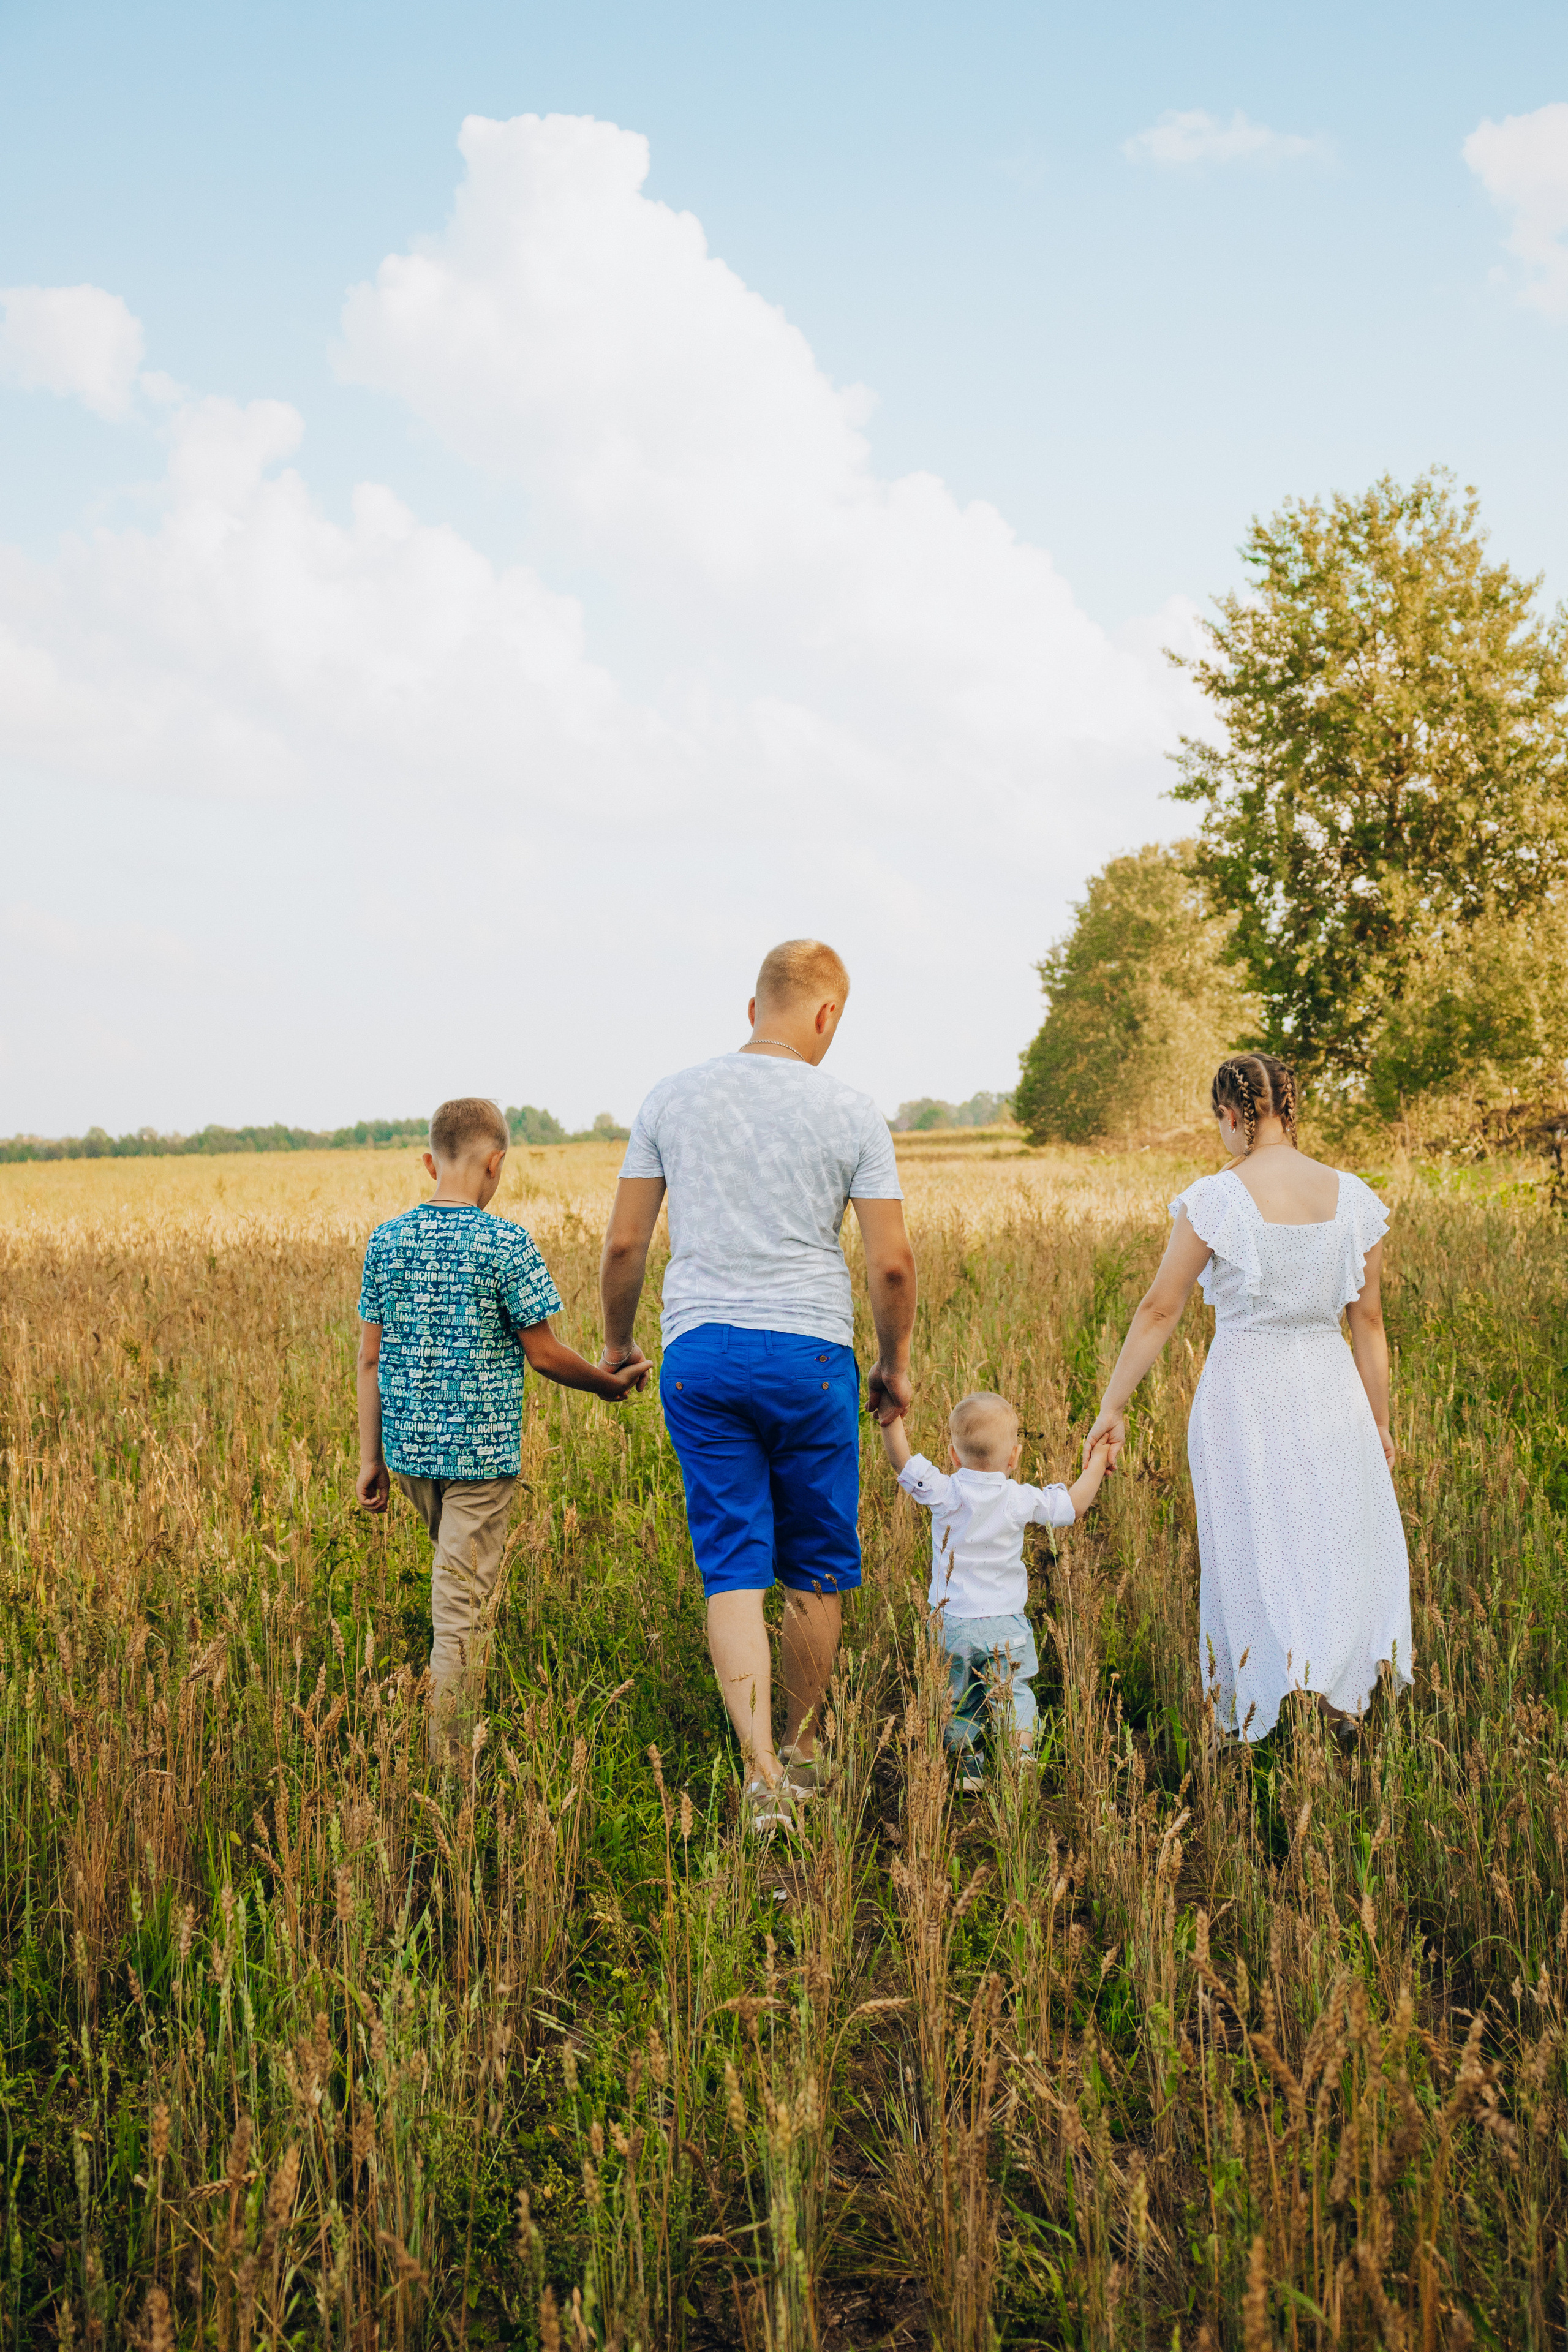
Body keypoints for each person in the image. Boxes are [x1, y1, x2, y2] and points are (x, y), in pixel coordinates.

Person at [598, 939, 917, 1833]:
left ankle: (761, 1776)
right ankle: (803, 1752)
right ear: (827, 1015)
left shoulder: (672, 1096)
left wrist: (619, 1341)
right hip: (811, 1353)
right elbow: (891, 1263)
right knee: (815, 1564)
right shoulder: (851, 1112)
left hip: (700, 1353)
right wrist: (892, 1364)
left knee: (733, 1564)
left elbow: (625, 1244)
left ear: (752, 1009)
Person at [1084, 1053, 1411, 1744]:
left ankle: (1250, 1707)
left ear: (1231, 1115)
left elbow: (1159, 1309)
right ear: (1288, 1109)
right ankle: (1338, 1701)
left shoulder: (1217, 1197)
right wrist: (1379, 1420)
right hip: (1332, 1389)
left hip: (1245, 1392)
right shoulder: (1354, 1198)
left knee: (1249, 1546)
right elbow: (1370, 1321)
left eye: (1220, 1122)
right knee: (1332, 1539)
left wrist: (1112, 1405)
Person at [355, 1096, 644, 1742]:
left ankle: (451, 1739)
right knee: (459, 1613)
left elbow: (370, 1358)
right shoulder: (505, 1242)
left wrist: (371, 1458)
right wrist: (607, 1385)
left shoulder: (386, 1240)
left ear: (430, 1162)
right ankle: (450, 1774)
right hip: (481, 1463)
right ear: (496, 1163)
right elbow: (543, 1353)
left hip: (409, 1454)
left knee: (456, 1591)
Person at [881, 1391, 1114, 1790]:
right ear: (1015, 1457)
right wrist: (1097, 1461)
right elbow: (1073, 1507)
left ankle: (969, 1772)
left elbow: (902, 1462)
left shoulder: (946, 1492)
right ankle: (1019, 1758)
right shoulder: (1018, 1498)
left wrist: (891, 1417)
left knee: (957, 1700)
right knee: (1013, 1694)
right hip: (1005, 1625)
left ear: (953, 1456)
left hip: (951, 1624)